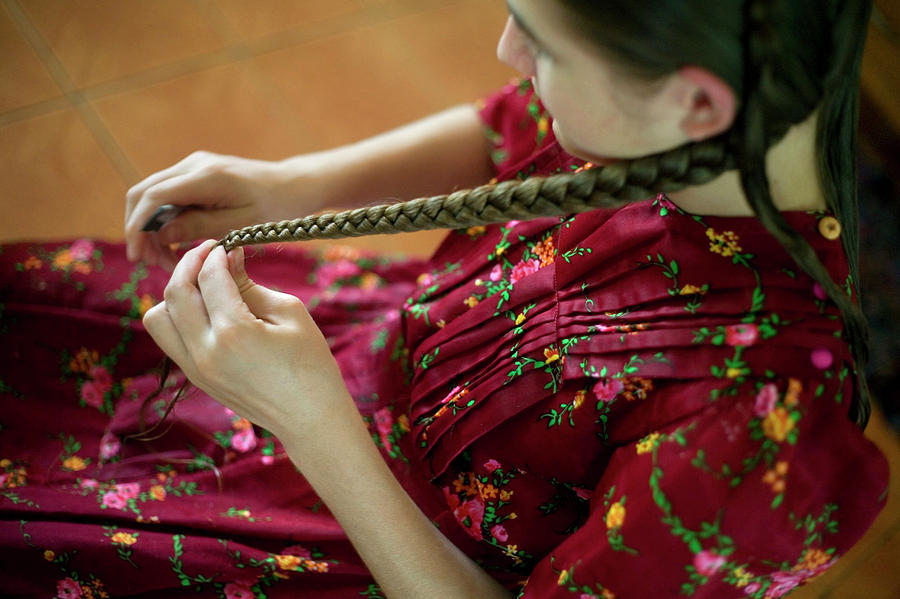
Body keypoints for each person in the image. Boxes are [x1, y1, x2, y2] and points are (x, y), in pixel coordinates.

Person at [0, 0, 889, 597]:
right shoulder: (672, 125)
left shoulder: (759, 435)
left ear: (696, 99)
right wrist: (291, 185)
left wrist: (310, 420)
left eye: (535, 36)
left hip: (367, 533)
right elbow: (506, 125)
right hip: (360, 365)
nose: (508, 51)